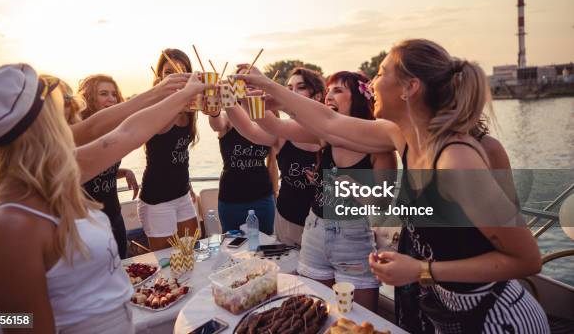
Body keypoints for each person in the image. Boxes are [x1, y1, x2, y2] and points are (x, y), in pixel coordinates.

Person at [236, 39, 549, 333]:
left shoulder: (456, 161)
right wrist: (268, 87)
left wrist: (421, 270)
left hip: (496, 318)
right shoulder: (400, 137)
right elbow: (327, 122)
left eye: (382, 72)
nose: (372, 82)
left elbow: (527, 260)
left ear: (409, 88)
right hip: (451, 312)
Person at [0, 63, 204, 333]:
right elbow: (26, 324)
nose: (70, 105)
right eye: (57, 100)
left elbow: (124, 133)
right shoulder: (14, 221)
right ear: (41, 121)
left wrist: (173, 93)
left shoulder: (51, 167)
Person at [237, 66, 396, 312]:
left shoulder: (380, 146)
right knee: (314, 314)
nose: (329, 96)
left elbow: (383, 206)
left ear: (359, 97)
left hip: (353, 241)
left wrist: (357, 190)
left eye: (338, 90)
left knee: (359, 317)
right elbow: (273, 126)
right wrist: (247, 97)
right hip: (315, 233)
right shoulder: (324, 136)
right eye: (328, 90)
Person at [0, 78, 85, 332]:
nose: (67, 105)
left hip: (15, 271)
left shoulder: (54, 149)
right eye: (59, 101)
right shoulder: (34, 154)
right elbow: (114, 136)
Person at [225, 67, 325, 246]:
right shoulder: (282, 131)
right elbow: (249, 129)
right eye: (288, 88)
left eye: (300, 87)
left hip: (327, 226)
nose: (291, 93)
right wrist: (228, 97)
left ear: (318, 96)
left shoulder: (332, 133)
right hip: (288, 222)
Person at [138, 49, 200, 251]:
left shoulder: (189, 109)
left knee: (190, 252)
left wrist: (188, 185)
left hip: (182, 194)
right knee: (166, 263)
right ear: (159, 78)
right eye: (169, 72)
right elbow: (163, 129)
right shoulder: (157, 108)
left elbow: (181, 155)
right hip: (157, 200)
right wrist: (178, 98)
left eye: (183, 70)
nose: (177, 75)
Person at [207, 67, 276, 235]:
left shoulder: (271, 118)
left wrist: (275, 194)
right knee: (233, 249)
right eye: (243, 85)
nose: (247, 89)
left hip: (263, 198)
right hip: (231, 200)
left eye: (251, 85)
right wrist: (214, 111)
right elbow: (217, 124)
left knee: (264, 247)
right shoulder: (229, 117)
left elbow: (272, 163)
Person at [78, 74, 139, 259]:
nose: (111, 98)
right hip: (88, 221)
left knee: (121, 267)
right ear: (89, 98)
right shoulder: (79, 133)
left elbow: (100, 167)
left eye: (114, 94)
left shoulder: (113, 131)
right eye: (104, 93)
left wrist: (124, 172)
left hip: (114, 215)